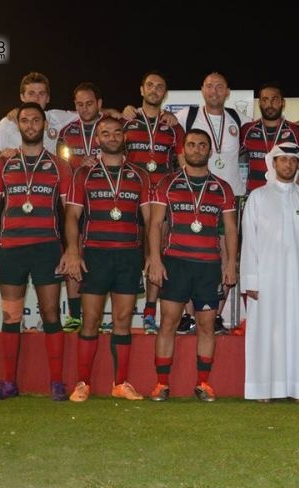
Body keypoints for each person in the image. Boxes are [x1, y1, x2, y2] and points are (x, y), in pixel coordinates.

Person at [0, 102, 72, 401]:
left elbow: (70, 214)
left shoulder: (59, 166)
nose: (30, 125)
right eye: (25, 121)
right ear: (18, 125)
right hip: (11, 249)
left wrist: (70, 250)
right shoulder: (2, 164)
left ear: (44, 125)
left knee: (50, 313)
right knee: (11, 316)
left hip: (47, 248)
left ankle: (56, 383)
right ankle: (9, 383)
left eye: (35, 120)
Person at [62, 116, 151, 402]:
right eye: (105, 133)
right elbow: (72, 216)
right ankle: (83, 383)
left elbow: (151, 220)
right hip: (95, 254)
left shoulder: (140, 175)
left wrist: (152, 255)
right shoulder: (84, 174)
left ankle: (120, 383)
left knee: (123, 319)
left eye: (116, 132)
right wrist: (73, 251)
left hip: (128, 255)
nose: (111, 137)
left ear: (124, 137)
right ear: (97, 139)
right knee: (90, 319)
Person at [146, 129, 238, 403]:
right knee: (168, 323)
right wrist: (155, 259)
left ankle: (203, 384)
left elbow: (231, 230)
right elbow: (155, 224)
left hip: (208, 266)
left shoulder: (223, 188)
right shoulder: (167, 183)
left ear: (209, 151)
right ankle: (161, 384)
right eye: (191, 145)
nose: (197, 149)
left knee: (207, 326)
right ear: (183, 150)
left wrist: (231, 264)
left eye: (202, 145)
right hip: (175, 263)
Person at [240, 142, 299, 402]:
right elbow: (249, 241)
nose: (288, 164)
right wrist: (251, 279)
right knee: (265, 333)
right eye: (283, 159)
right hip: (266, 280)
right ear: (273, 163)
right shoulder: (257, 197)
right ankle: (263, 389)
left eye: (293, 160)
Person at [175, 72, 249, 334]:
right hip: (194, 195)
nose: (214, 91)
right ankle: (189, 316)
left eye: (220, 87)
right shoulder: (187, 115)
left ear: (227, 92)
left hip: (229, 196)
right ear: (202, 90)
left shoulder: (238, 118)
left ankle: (216, 315)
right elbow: (158, 121)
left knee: (227, 256)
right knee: (188, 253)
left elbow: (267, 129)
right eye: (209, 86)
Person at [124, 71, 186, 335]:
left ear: (165, 93)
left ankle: (150, 312)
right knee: (128, 253)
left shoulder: (173, 126)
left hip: (161, 197)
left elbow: (184, 165)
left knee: (155, 253)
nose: (154, 90)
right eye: (149, 85)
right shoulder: (126, 121)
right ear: (141, 90)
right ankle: (123, 313)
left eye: (160, 87)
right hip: (129, 196)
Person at [55, 82, 106, 333]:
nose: (84, 109)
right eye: (79, 104)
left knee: (99, 258)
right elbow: (61, 167)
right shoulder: (66, 132)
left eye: (89, 104)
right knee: (72, 253)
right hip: (74, 200)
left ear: (99, 104)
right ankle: (75, 316)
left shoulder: (110, 127)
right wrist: (79, 166)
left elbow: (123, 157)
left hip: (104, 201)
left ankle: (95, 316)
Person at [0, 72, 77, 168]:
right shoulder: (9, 122)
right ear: (22, 96)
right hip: (15, 177)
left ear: (48, 98)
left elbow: (84, 113)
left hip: (47, 177)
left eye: (41, 93)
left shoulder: (55, 118)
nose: (36, 98)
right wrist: (1, 158)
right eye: (31, 93)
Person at [240, 83, 299, 194]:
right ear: (259, 103)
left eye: (274, 100)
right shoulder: (247, 130)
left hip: (285, 196)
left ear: (282, 103)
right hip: (254, 195)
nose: (269, 104)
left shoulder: (297, 131)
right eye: (265, 100)